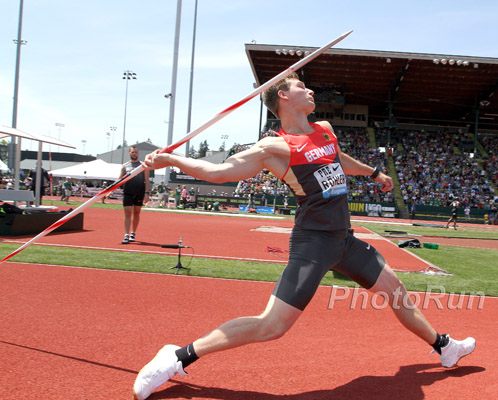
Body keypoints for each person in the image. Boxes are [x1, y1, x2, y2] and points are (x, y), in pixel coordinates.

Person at [133, 73, 476, 399]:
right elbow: (220, 172)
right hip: (313, 243)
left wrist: (373, 172)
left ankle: (444, 346)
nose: (311, 91)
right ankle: (177, 357)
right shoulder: (274, 147)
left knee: (396, 291)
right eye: (302, 86)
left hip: (344, 240)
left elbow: (337, 159)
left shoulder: (324, 130)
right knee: (272, 326)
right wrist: (171, 160)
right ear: (283, 96)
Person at [119, 146, 150, 244]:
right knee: (127, 213)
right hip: (128, 191)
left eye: (136, 152)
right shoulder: (125, 166)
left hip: (139, 192)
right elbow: (119, 179)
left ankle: (133, 233)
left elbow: (147, 180)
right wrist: (110, 190)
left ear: (138, 153)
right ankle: (126, 235)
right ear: (129, 153)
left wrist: (147, 193)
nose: (134, 154)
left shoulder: (143, 165)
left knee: (136, 213)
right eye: (132, 152)